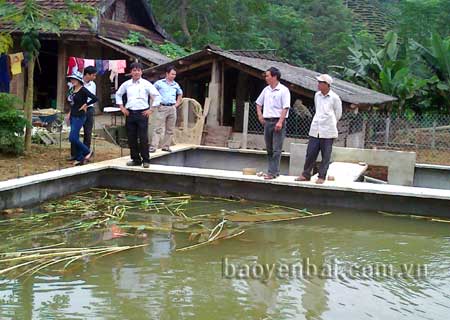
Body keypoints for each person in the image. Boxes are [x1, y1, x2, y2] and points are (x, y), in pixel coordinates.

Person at [296, 74, 342, 184]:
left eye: (321, 83)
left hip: (328, 131)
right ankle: (306, 174)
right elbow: (318, 109)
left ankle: (322, 176)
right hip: (315, 129)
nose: (318, 85)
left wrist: (330, 123)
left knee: (326, 155)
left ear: (327, 85)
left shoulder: (335, 98)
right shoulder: (317, 95)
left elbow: (338, 114)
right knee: (310, 153)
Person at [116, 62, 161, 168]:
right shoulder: (127, 84)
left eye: (138, 70)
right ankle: (135, 159)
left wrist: (151, 109)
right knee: (131, 138)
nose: (136, 72)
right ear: (131, 72)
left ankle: (146, 160)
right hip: (130, 113)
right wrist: (122, 108)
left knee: (143, 137)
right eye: (134, 70)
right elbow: (118, 94)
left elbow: (157, 96)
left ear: (141, 72)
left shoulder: (146, 84)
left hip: (142, 114)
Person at [255, 67, 291, 180]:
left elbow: (285, 107)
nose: (266, 78)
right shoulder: (266, 90)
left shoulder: (283, 90)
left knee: (277, 149)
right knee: (269, 148)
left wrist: (280, 121)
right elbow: (258, 103)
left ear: (274, 76)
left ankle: (272, 172)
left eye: (267, 76)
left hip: (278, 120)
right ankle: (273, 171)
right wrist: (260, 115)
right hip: (267, 121)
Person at [65, 71, 97, 166]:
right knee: (73, 138)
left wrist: (86, 104)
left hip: (80, 115)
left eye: (74, 79)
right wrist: (69, 113)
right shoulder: (72, 90)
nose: (72, 80)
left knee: (73, 137)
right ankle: (80, 158)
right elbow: (72, 103)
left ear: (79, 80)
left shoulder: (83, 90)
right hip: (73, 115)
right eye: (71, 79)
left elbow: (95, 98)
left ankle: (87, 152)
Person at [150, 66, 183, 153]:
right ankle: (153, 147)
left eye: (175, 74)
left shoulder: (176, 84)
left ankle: (166, 146)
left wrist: (176, 104)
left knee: (170, 129)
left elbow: (180, 94)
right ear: (167, 74)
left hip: (172, 108)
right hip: (162, 107)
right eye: (172, 74)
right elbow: (151, 91)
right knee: (158, 128)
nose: (173, 76)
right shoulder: (159, 83)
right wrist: (156, 102)